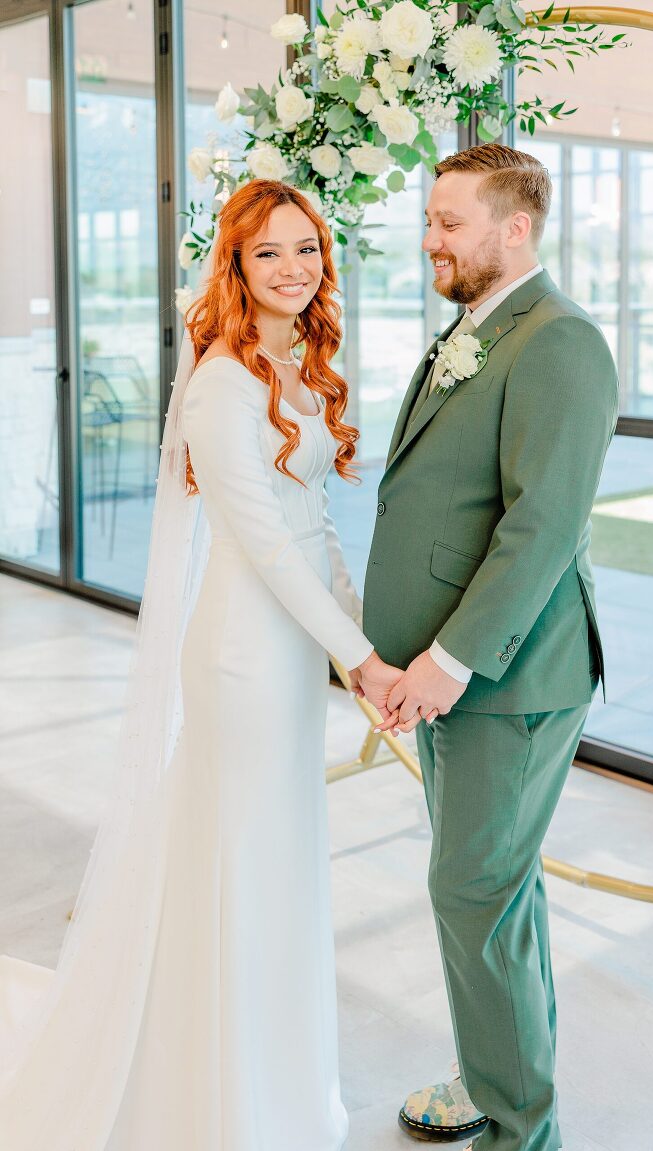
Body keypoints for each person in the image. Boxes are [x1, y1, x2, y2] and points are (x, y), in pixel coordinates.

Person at [0, 179, 400, 1150]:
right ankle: (222, 1099)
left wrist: (365, 646)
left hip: (292, 651)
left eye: (308, 248)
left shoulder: (299, 363)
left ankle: (276, 1077)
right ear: (235, 264)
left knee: (277, 864)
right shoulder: (223, 380)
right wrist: (358, 659)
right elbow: (264, 542)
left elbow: (316, 529)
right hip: (239, 656)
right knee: (239, 867)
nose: (294, 268)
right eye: (270, 252)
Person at [363, 144, 619, 1151]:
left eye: (449, 221)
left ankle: (523, 1130)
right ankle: (493, 1077)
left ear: (516, 229)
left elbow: (543, 523)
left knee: (473, 887)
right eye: (429, 218)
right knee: (495, 889)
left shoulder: (560, 341)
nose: (430, 238)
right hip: (454, 680)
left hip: (505, 679)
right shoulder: (474, 330)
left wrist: (450, 659)